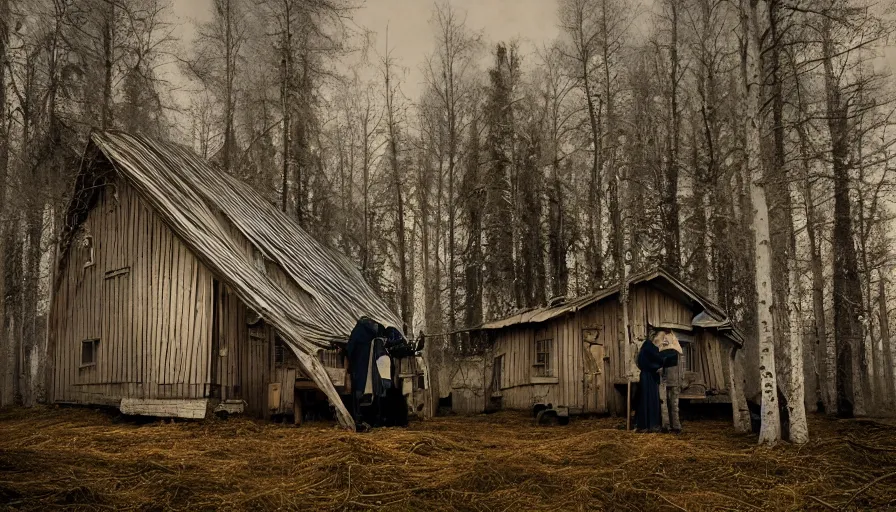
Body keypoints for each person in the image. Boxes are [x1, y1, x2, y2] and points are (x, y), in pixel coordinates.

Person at [634, 328, 679, 432]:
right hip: (648, 376)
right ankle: (647, 425)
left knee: (652, 399)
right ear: (654, 336)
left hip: (651, 376)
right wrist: (658, 365)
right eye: (661, 336)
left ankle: (650, 424)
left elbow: (660, 357)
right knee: (647, 399)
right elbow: (656, 358)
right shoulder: (648, 346)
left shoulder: (651, 346)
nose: (662, 339)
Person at [659, 331, 683, 434]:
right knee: (674, 404)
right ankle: (676, 426)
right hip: (674, 381)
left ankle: (667, 425)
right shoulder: (676, 354)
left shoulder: (664, 354)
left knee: (664, 404)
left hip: (666, 381)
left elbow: (661, 369)